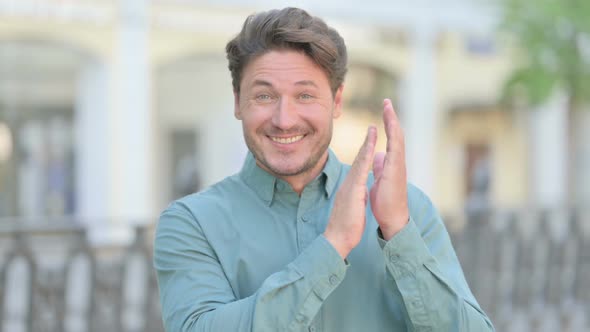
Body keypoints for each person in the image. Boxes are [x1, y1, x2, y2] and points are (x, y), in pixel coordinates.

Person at [154, 7, 495, 332]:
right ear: (237, 100)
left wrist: (399, 233)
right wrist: (332, 247)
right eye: (264, 96)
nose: (284, 119)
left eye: (304, 96)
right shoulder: (191, 224)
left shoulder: (407, 209)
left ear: (337, 101)